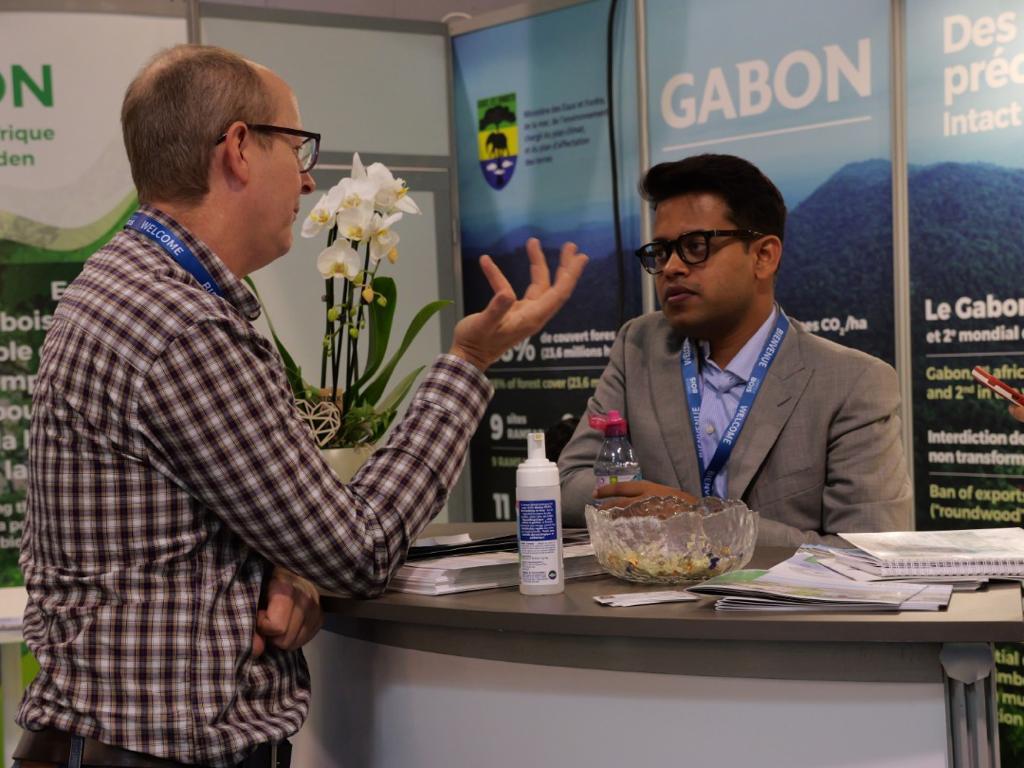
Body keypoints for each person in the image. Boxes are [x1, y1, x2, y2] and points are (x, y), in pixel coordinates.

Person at [14, 45, 587, 768]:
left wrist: (285, 569)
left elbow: (198, 528)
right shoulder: (185, 326)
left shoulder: (120, 284)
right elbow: (358, 549)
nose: (309, 177)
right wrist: (468, 363)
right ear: (239, 149)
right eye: (297, 145)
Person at [558, 154, 911, 546]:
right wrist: (645, 506)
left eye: (695, 246)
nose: (671, 267)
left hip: (777, 589)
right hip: (645, 586)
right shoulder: (639, 346)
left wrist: (698, 519)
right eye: (661, 251)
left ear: (763, 256)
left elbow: (871, 551)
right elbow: (568, 485)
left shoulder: (851, 383)